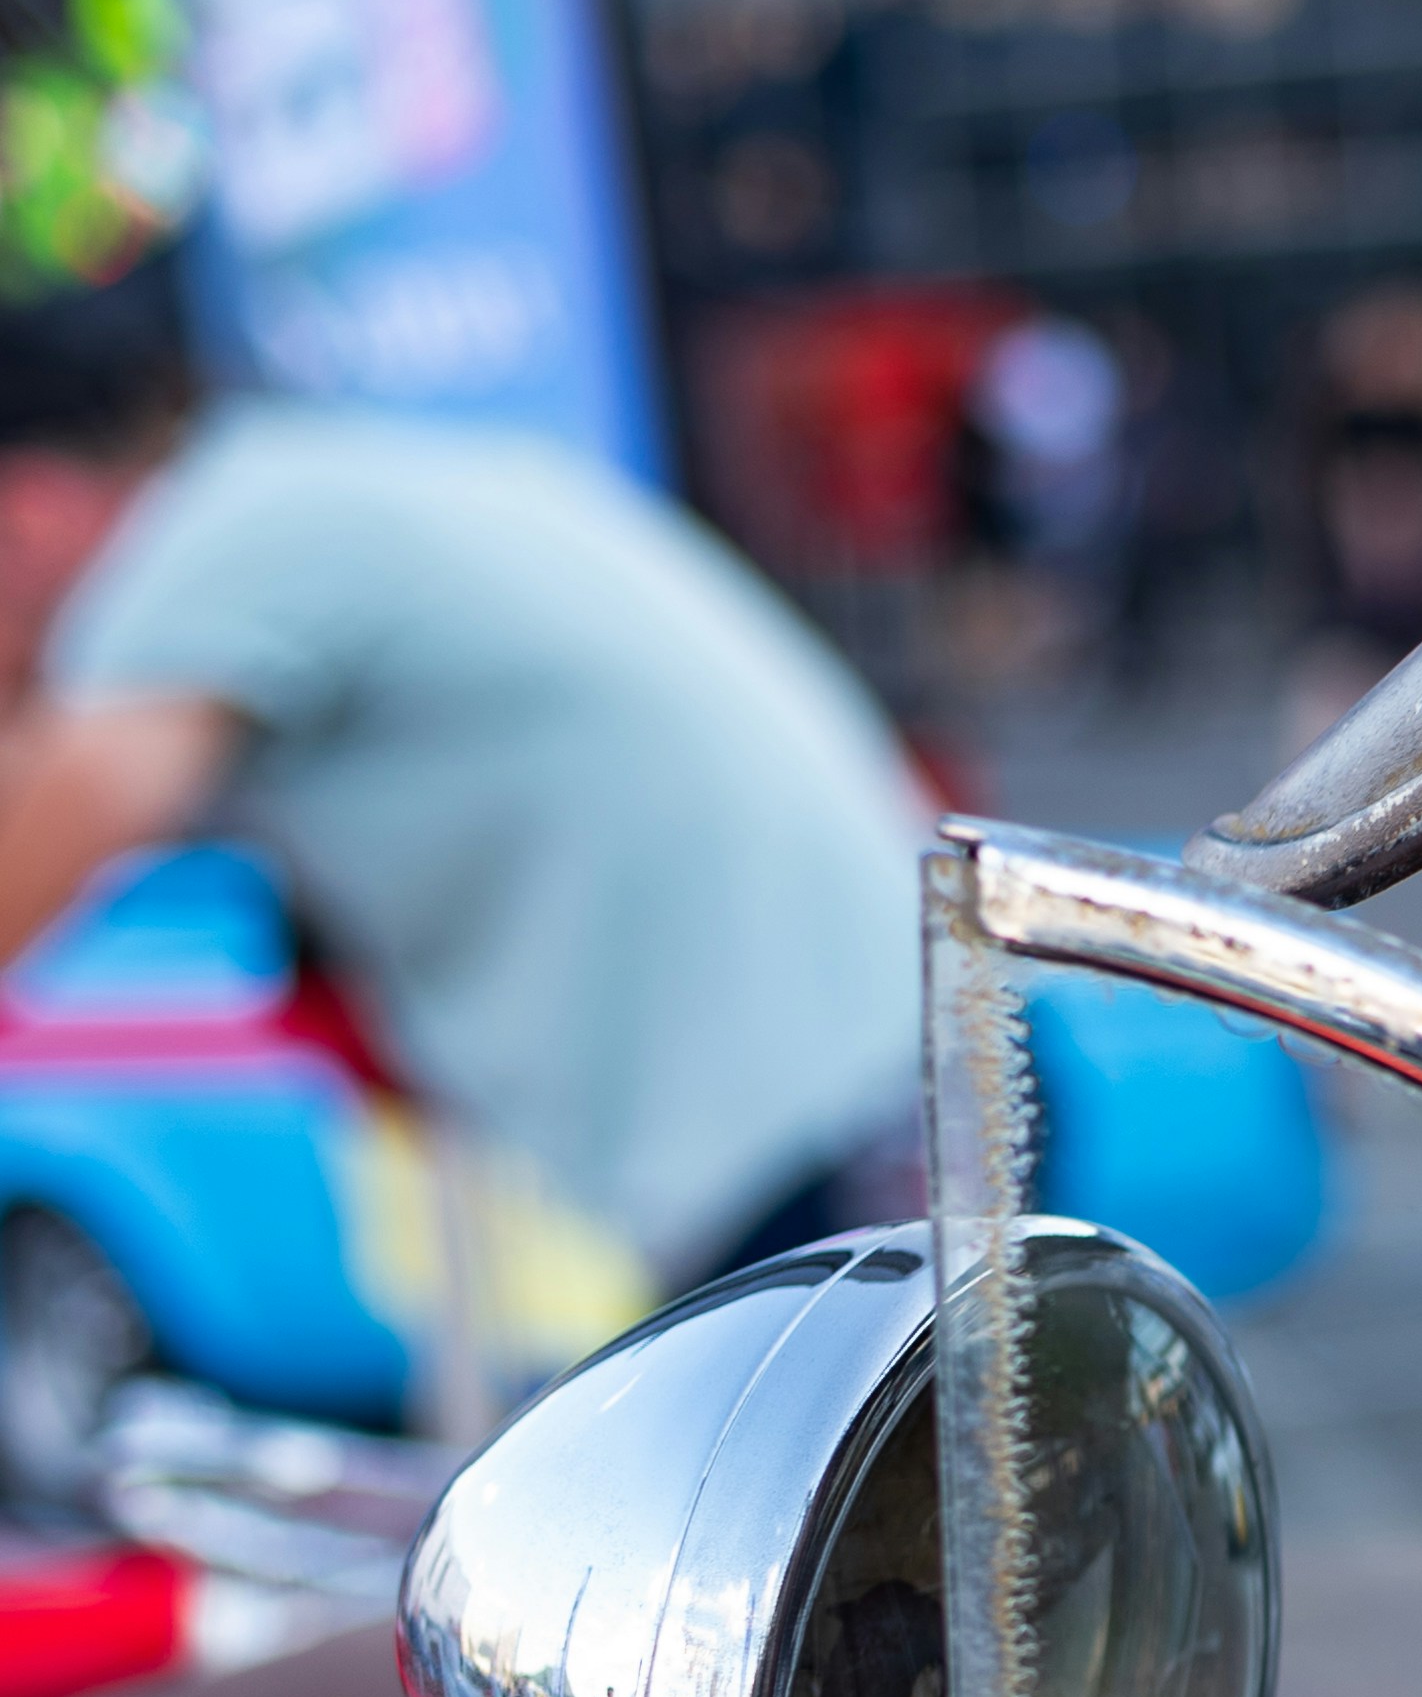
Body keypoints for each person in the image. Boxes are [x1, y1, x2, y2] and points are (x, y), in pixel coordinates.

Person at [0, 271, 932, 1300]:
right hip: (883, 1067)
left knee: (805, 1452)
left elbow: (62, 817)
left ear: (29, 514)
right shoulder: (307, 488)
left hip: (822, 1108)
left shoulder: (206, 544)